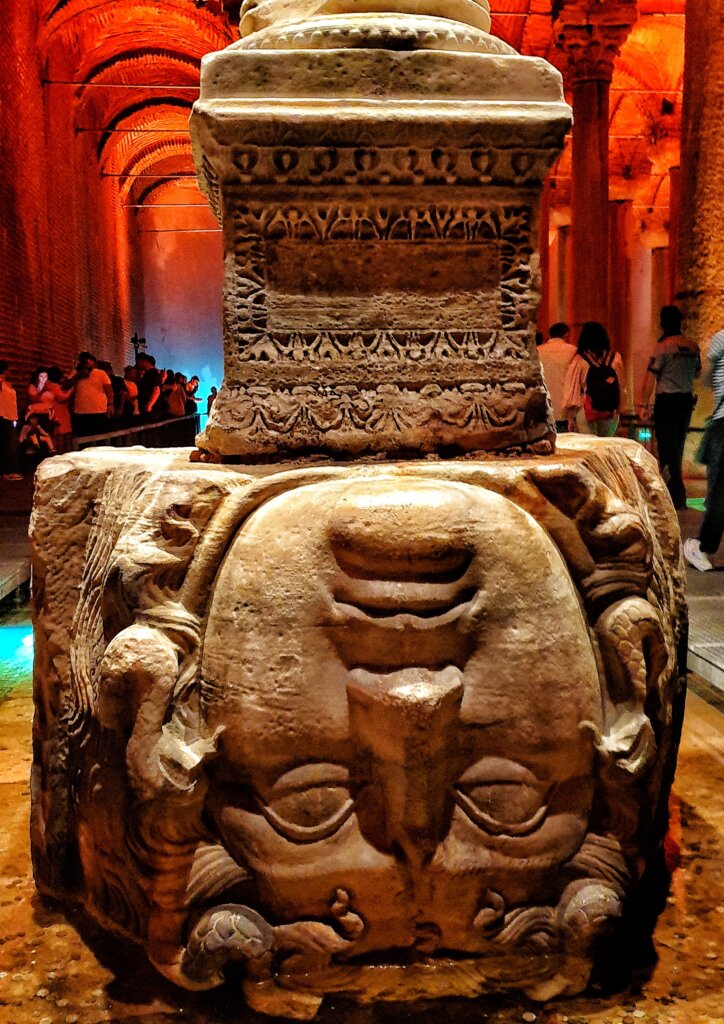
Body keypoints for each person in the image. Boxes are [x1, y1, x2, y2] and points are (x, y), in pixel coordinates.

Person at [639, 305, 701, 510]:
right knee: (678, 446)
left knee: (666, 449)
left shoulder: (663, 347)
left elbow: (650, 377)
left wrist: (644, 405)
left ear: (662, 323)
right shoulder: (692, 346)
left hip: (666, 402)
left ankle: (673, 495)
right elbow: (697, 374)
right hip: (685, 401)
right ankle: (678, 494)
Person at [684, 329, 724, 571]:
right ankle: (703, 545)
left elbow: (708, 379)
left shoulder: (720, 338)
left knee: (720, 492)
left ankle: (703, 545)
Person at [563, 322, 625, 437]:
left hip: (586, 410)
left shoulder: (580, 360)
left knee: (590, 448)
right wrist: (621, 411)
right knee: (606, 447)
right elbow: (621, 386)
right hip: (610, 410)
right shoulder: (615, 358)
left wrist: (571, 418)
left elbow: (574, 390)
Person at [537, 322, 575, 430]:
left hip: (543, 405)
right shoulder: (572, 351)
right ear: (566, 335)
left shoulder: (538, 350)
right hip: (564, 406)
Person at [72, 351, 114, 437]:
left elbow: (109, 390)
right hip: (81, 412)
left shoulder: (100, 373)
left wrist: (110, 404)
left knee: (100, 437)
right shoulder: (75, 373)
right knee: (84, 438)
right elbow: (66, 385)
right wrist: (78, 376)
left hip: (99, 411)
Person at [0, 360, 22, 480]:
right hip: (3, 416)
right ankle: (7, 471)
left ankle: (9, 470)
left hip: (11, 415)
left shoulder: (7, 384)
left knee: (10, 444)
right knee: (7, 445)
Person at [45, 366, 74, 454]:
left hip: (58, 412)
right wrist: (71, 390)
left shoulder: (49, 385)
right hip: (59, 413)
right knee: (60, 438)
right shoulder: (53, 386)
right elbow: (62, 397)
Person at [136, 353, 163, 421]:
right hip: (150, 409)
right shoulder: (151, 373)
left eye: (138, 361)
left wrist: (149, 404)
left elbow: (156, 390)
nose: (137, 364)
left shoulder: (152, 374)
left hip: (150, 411)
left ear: (144, 361)